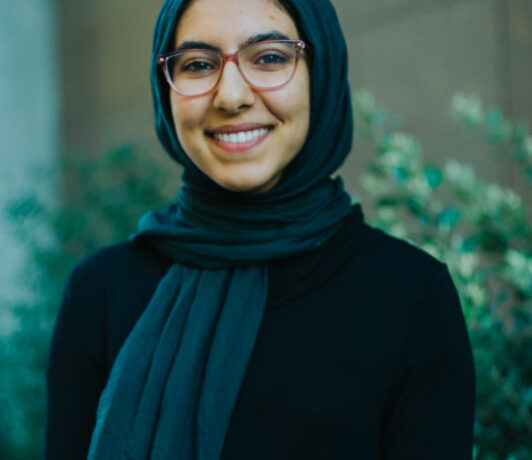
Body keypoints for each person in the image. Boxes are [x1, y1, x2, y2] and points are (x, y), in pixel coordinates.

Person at [45, 0, 476, 458]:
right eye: (196, 64)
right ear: (165, 89)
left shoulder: (410, 295)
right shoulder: (101, 293)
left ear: (321, 72)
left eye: (270, 57)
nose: (231, 96)